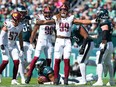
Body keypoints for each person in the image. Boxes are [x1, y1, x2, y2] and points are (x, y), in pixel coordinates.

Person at [32, 2, 96, 85]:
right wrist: (38, 22)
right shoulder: (56, 18)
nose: (63, 11)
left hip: (67, 41)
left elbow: (82, 21)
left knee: (66, 61)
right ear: (59, 10)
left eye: (65, 9)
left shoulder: (70, 18)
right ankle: (55, 79)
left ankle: (66, 79)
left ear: (67, 10)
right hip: (59, 40)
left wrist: (92, 21)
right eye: (62, 9)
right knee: (57, 61)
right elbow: (45, 22)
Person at [25, 6, 55, 84]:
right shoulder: (40, 17)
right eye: (46, 13)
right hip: (41, 41)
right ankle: (29, 76)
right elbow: (35, 28)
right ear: (43, 13)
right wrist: (32, 38)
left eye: (49, 13)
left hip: (49, 41)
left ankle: (47, 76)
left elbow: (56, 31)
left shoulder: (54, 19)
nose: (47, 14)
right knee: (35, 58)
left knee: (49, 60)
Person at [92, 9, 115, 86]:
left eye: (99, 14)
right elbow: (103, 34)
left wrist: (103, 44)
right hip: (110, 43)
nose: (97, 15)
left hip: (105, 43)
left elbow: (104, 32)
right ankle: (111, 80)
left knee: (99, 62)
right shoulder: (108, 21)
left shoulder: (104, 21)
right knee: (108, 63)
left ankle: (100, 80)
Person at [0, 12, 24, 85]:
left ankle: (14, 79)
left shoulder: (20, 26)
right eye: (19, 19)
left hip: (13, 46)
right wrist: (1, 44)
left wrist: (21, 47)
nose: (20, 21)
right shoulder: (8, 24)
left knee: (17, 62)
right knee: (5, 61)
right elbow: (2, 35)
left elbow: (20, 37)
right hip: (5, 45)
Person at [16, 5, 34, 84]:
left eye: (24, 13)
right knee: (21, 60)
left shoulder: (28, 19)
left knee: (29, 60)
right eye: (21, 13)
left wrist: (33, 39)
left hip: (28, 41)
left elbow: (30, 28)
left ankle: (20, 71)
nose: (23, 14)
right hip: (19, 41)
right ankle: (23, 78)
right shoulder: (16, 19)